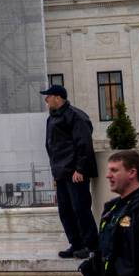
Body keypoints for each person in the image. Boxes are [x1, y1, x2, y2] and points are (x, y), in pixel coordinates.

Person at [40, 84, 99, 258]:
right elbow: (52, 147)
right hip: (61, 173)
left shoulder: (76, 116)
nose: (46, 99)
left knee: (80, 209)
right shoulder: (51, 119)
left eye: (48, 96)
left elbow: (84, 144)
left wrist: (80, 169)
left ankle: (91, 246)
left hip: (75, 173)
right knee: (65, 211)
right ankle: (76, 243)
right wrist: (56, 174)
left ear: (58, 97)